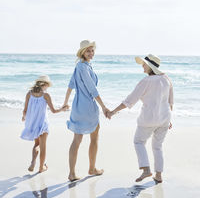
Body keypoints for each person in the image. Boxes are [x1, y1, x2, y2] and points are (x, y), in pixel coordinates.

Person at [108, 54, 173, 183]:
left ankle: (146, 170)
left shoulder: (146, 81)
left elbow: (130, 100)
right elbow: (170, 102)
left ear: (150, 66)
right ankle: (158, 175)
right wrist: (169, 120)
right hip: (164, 119)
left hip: (148, 119)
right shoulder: (166, 79)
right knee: (158, 147)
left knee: (138, 142)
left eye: (144, 64)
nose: (142, 67)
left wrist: (113, 111)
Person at [63, 40, 110, 182]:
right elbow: (92, 89)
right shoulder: (84, 67)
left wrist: (65, 103)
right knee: (94, 137)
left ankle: (72, 173)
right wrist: (103, 107)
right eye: (88, 51)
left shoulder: (80, 66)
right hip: (88, 107)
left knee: (77, 139)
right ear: (82, 52)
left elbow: (70, 86)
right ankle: (92, 168)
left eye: (92, 50)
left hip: (77, 106)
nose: (91, 53)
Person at [21, 75, 67, 173]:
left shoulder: (29, 94)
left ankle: (33, 162)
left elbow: (24, 110)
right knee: (43, 146)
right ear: (45, 84)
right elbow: (53, 111)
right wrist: (62, 109)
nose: (48, 87)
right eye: (48, 85)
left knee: (36, 144)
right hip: (42, 123)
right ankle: (41, 167)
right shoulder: (46, 95)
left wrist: (24, 118)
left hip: (32, 122)